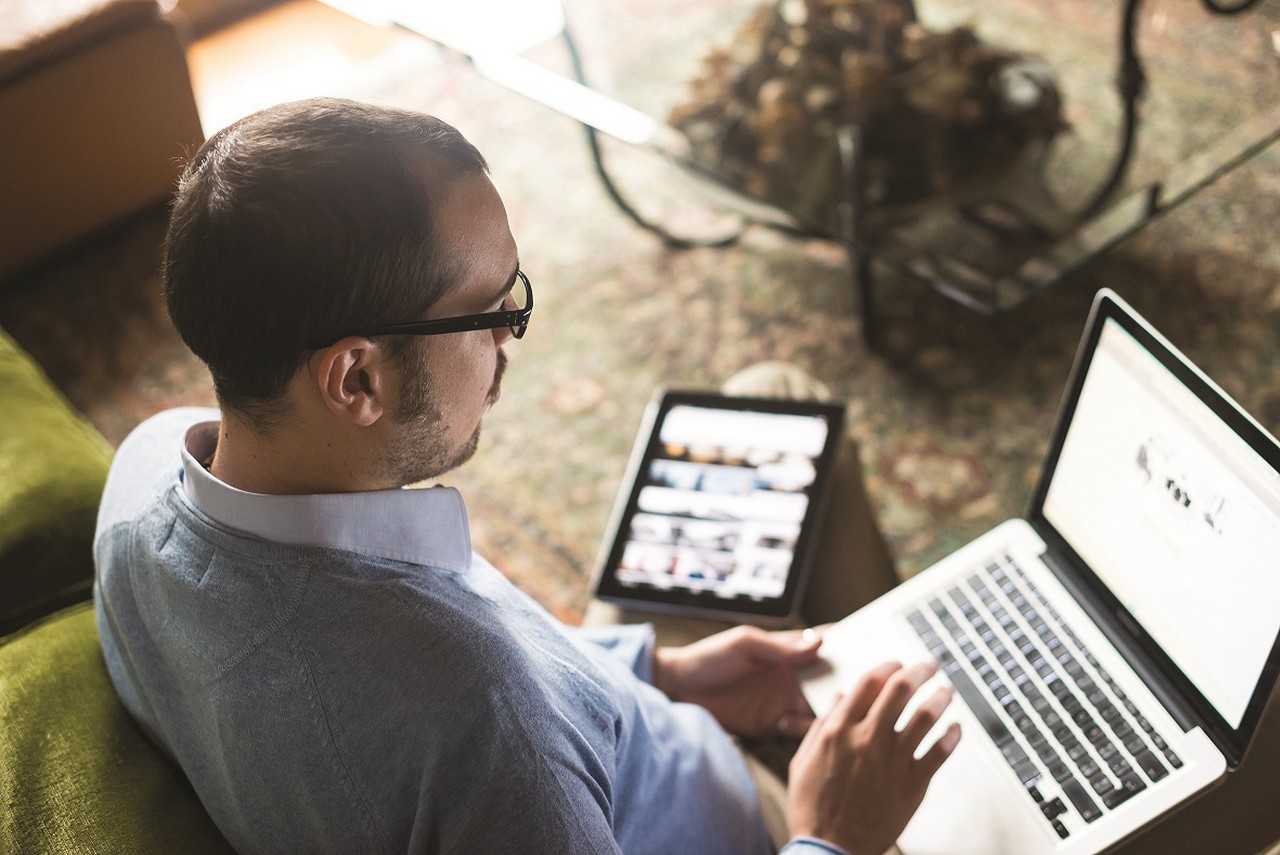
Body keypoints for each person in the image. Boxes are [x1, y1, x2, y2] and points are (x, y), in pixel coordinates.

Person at [94, 97, 960, 855]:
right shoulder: (489, 726)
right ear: (356, 380)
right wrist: (833, 830)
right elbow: (490, 715)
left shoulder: (146, 470)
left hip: (640, 725)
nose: (513, 330)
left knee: (773, 399)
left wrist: (657, 671)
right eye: (488, 309)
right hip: (762, 825)